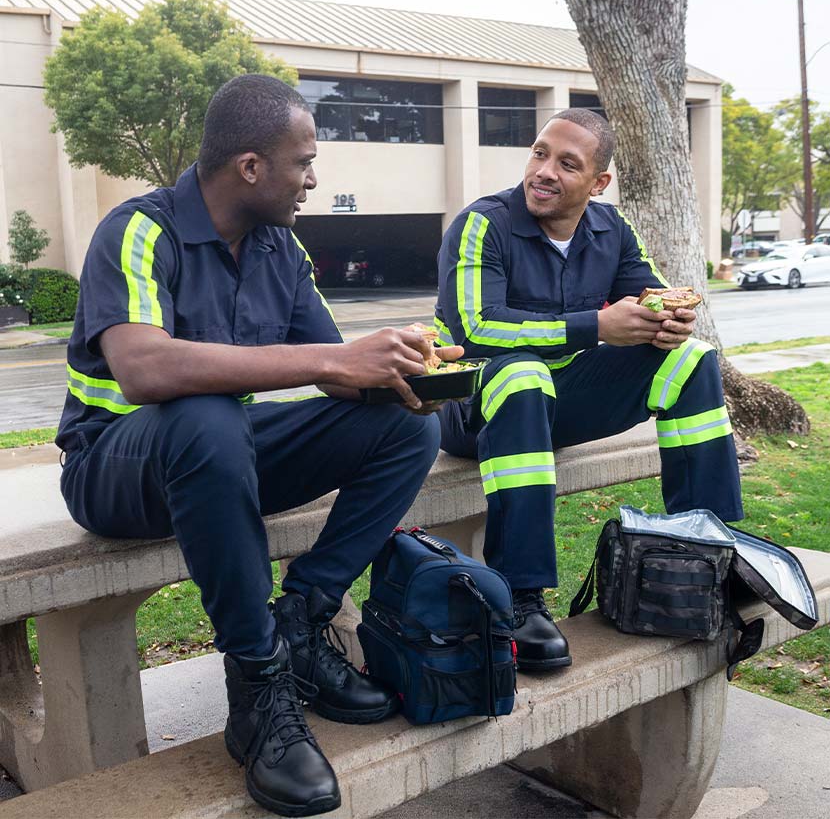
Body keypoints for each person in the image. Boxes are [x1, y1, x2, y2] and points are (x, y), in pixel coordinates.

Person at [56, 74, 462, 817]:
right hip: (113, 466)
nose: (314, 178)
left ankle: (302, 621)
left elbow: (335, 370)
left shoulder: (283, 248)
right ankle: (258, 685)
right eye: (303, 161)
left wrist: (401, 360)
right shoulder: (139, 229)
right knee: (205, 414)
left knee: (408, 428)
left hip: (220, 454)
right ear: (251, 167)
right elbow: (143, 369)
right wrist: (332, 361)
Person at [433, 108, 743, 671]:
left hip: (553, 403)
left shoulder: (611, 227)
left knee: (691, 360)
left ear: (598, 183)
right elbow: (473, 329)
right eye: (539, 152)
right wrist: (594, 326)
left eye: (566, 164)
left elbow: (648, 294)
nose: (543, 171)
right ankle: (520, 597)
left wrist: (668, 321)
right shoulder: (484, 222)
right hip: (470, 406)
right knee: (521, 372)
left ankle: (708, 553)